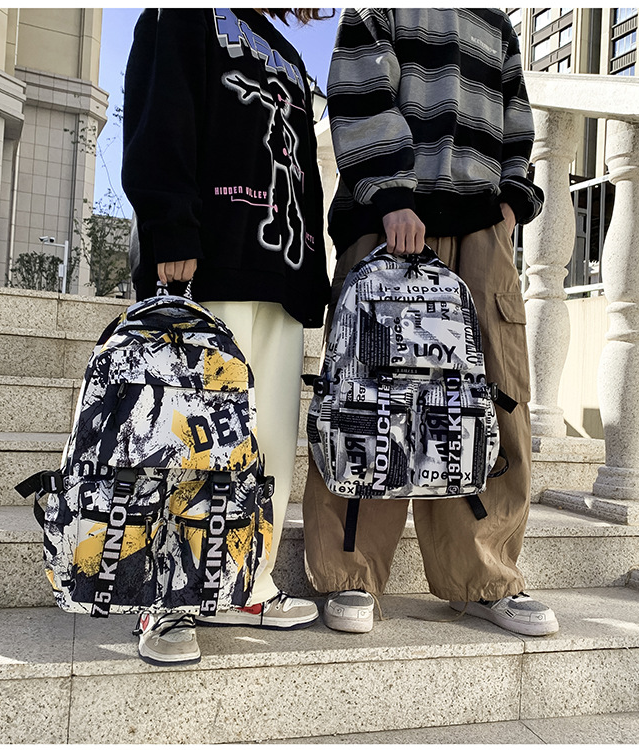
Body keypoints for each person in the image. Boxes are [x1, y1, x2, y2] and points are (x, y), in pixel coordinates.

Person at [302, 7, 560, 637]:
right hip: (389, 224)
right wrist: (392, 195)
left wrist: (511, 202)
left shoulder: (496, 23)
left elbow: (517, 120)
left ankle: (485, 577)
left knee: (497, 396)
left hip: (480, 231)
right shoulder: (378, 8)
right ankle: (350, 571)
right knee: (366, 396)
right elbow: (359, 91)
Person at [122, 7, 331, 665]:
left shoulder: (287, 53)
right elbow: (158, 118)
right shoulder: (182, 14)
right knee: (189, 437)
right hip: (206, 263)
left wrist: (312, 277)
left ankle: (247, 584)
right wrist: (170, 228)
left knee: (266, 445)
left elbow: (304, 173)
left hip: (279, 269)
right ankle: (166, 595)